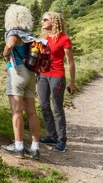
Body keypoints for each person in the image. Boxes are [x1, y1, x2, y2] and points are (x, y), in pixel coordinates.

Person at [1, 4, 41, 160]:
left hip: (17, 71)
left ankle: (18, 147)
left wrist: (5, 55)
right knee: (32, 112)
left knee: (16, 112)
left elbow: (9, 45)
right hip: (31, 73)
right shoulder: (29, 34)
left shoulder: (13, 33)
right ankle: (35, 148)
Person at [37, 11, 76, 153]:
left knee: (57, 107)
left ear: (54, 21)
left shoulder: (64, 39)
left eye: (45, 19)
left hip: (57, 76)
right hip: (42, 75)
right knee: (44, 105)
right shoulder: (43, 37)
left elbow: (70, 62)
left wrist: (72, 82)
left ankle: (61, 140)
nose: (42, 21)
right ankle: (52, 135)